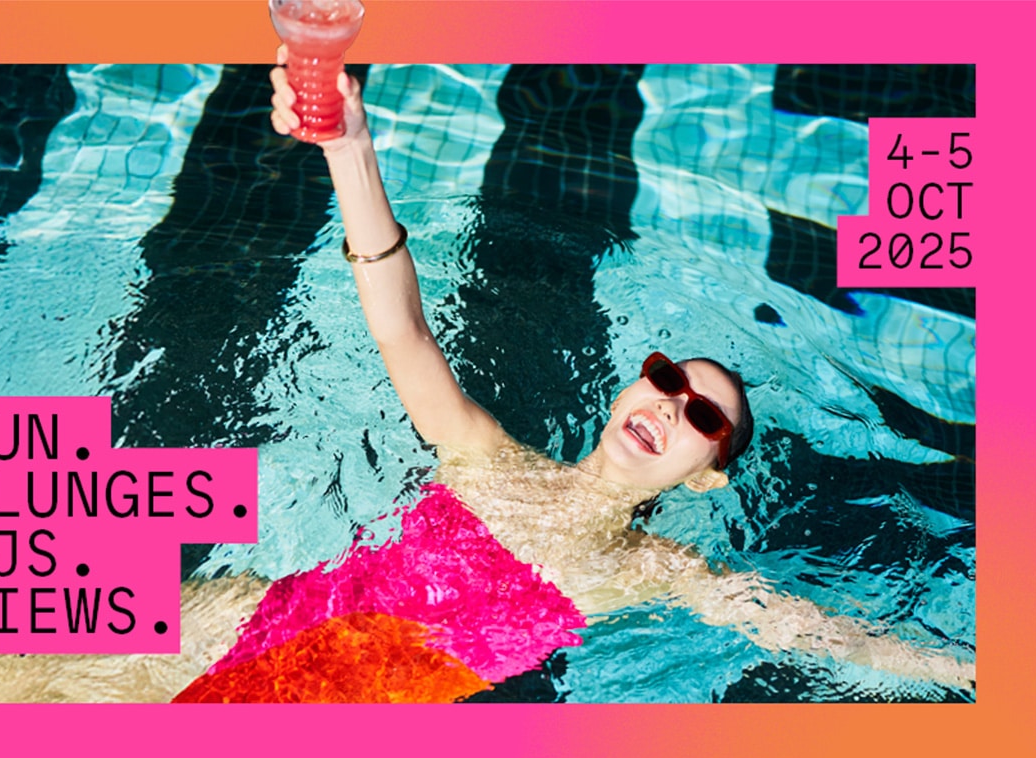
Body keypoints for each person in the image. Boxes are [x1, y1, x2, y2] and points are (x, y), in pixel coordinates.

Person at [269, 52, 973, 689]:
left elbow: (820, 633)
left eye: (702, 415)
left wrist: (971, 670)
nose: (672, 405)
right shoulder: (484, 456)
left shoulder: (650, 570)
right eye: (668, 379)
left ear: (705, 474)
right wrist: (350, 146)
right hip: (257, 620)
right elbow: (401, 329)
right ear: (626, 391)